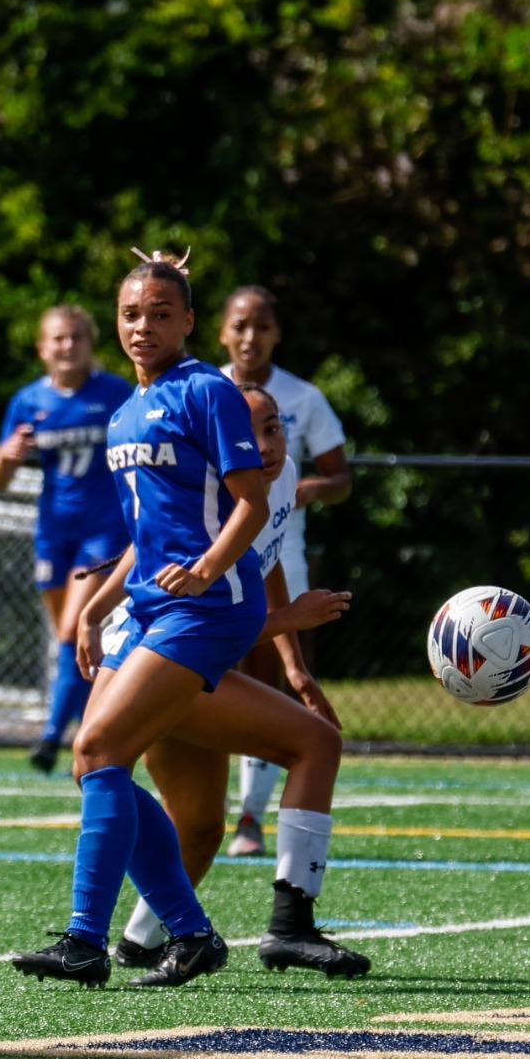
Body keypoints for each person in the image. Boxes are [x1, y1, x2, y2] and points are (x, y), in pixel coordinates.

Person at [11, 253, 268, 990]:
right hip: (154, 605)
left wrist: (211, 568)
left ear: (189, 320)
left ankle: (86, 941)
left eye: (161, 312)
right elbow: (145, 541)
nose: (143, 326)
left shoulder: (208, 391)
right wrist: (96, 606)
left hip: (207, 607)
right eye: (131, 313)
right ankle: (190, 934)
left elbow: (250, 501)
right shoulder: (126, 410)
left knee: (97, 744)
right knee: (97, 763)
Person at [103, 387, 370, 980]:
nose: (267, 446)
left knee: (199, 828)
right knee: (316, 745)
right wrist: (288, 621)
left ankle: (141, 943)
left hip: (177, 659)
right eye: (251, 435)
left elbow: (266, 557)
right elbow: (200, 627)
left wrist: (295, 665)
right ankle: (290, 928)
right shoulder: (215, 501)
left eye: (274, 428)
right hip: (151, 661)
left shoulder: (278, 477)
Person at [217, 286, 353, 856]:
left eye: (262, 326)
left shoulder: (303, 397)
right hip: (211, 561)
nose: (251, 337)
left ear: (277, 334)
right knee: (211, 669)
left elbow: (341, 478)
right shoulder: (205, 391)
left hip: (277, 550)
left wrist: (306, 493)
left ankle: (249, 815)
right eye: (240, 326)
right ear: (222, 332)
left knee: (264, 673)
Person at [0, 306, 134, 773]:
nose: (67, 346)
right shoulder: (28, 400)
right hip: (53, 533)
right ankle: (94, 727)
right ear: (42, 347)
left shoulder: (116, 393)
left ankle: (52, 736)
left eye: (75, 337)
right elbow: (0, 477)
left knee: (76, 628)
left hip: (104, 530)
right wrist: (9, 455)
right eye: (58, 339)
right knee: (68, 640)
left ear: (91, 343)